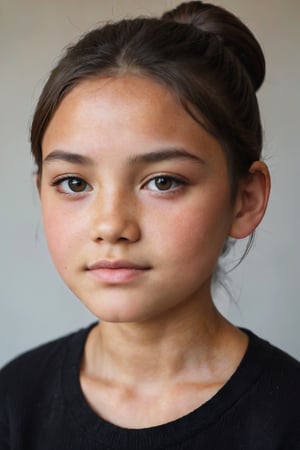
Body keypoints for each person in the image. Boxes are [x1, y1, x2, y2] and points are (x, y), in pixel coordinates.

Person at [0, 1, 299, 448]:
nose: (111, 225)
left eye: (162, 181)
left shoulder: (288, 416)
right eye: (75, 182)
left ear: (245, 199)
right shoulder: (15, 399)